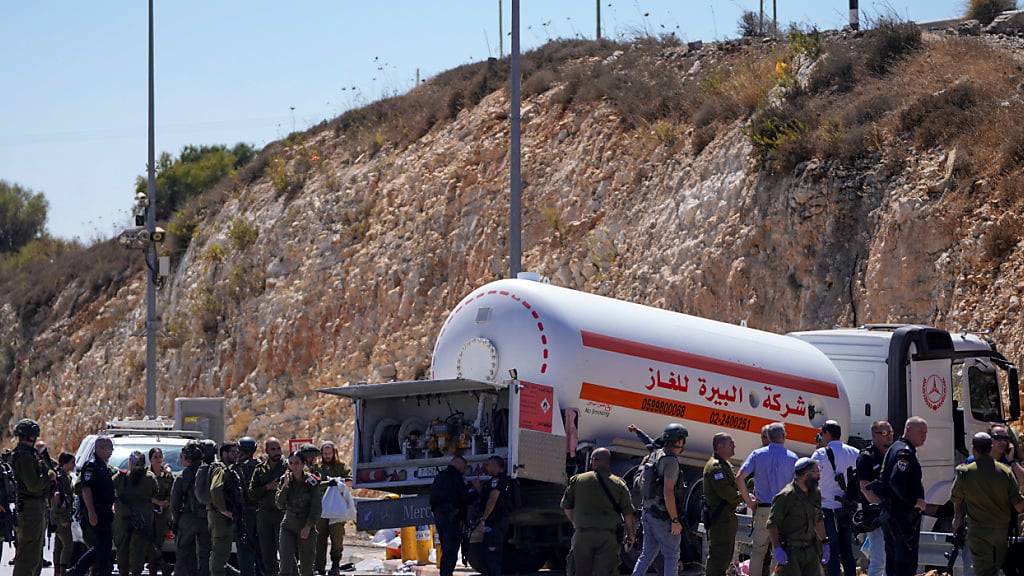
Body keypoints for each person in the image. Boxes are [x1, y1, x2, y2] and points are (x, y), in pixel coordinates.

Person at [951, 432, 1024, 576]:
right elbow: (1019, 506)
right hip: (1000, 533)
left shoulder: (965, 472)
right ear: (991, 447)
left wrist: (957, 517)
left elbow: (956, 498)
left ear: (973, 448)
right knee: (994, 570)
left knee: (982, 571)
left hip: (978, 532)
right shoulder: (1005, 472)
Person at [561, 448, 635, 576]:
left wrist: (576, 523)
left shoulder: (577, 480)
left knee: (579, 572)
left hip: (582, 535)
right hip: (608, 537)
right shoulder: (619, 484)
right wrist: (630, 535)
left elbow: (567, 507)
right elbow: (628, 514)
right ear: (608, 463)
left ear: (594, 461)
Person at [736, 422, 797, 576]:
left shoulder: (757, 455)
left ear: (768, 437)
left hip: (762, 509)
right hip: (783, 511)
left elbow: (740, 477)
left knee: (758, 552)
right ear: (783, 436)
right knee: (780, 550)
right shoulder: (793, 458)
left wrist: (749, 502)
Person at [631, 423, 688, 576]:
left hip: (648, 512)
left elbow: (649, 441)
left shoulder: (656, 453)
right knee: (671, 555)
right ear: (679, 441)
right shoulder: (671, 462)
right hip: (662, 516)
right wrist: (675, 520)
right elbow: (668, 492)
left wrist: (638, 431)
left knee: (647, 554)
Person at [874, 416, 928, 576]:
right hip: (901, 518)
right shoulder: (904, 451)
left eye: (926, 433)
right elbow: (896, 481)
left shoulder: (895, 447)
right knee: (905, 564)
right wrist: (914, 502)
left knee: (893, 562)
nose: (924, 437)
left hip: (892, 515)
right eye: (921, 432)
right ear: (908, 430)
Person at [811, 420, 859, 576]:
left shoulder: (820, 454)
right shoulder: (855, 452)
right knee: (847, 548)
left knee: (831, 548)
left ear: (826, 434)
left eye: (821, 433)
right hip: (846, 508)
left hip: (826, 508)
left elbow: (811, 479)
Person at [767, 457, 828, 576]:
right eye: (816, 472)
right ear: (807, 475)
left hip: (810, 550)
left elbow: (818, 519)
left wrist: (825, 542)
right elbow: (772, 524)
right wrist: (777, 548)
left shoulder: (815, 493)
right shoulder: (785, 496)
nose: (819, 476)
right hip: (791, 552)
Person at [10, 419, 54, 576]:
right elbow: (33, 485)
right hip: (30, 508)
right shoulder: (24, 456)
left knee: (35, 554)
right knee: (29, 555)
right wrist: (49, 476)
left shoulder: (29, 454)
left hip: (34, 507)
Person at [69, 436, 116, 576]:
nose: (112, 451)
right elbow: (86, 489)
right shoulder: (92, 465)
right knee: (101, 547)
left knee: (103, 548)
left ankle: (76, 571)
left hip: (105, 511)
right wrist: (91, 512)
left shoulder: (102, 465)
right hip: (97, 511)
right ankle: (76, 571)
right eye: (109, 448)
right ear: (100, 448)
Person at [855, 420, 893, 576]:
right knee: (878, 560)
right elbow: (865, 488)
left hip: (892, 514)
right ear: (874, 435)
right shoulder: (867, 457)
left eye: (890, 432)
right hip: (876, 516)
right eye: (884, 433)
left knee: (890, 558)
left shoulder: (893, 454)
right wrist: (881, 507)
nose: (888, 437)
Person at [276, 452, 322, 576]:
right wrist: (285, 486)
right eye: (291, 463)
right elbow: (279, 504)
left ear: (303, 465)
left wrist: (308, 526)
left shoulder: (311, 481)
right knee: (285, 564)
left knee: (306, 567)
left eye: (297, 463)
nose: (294, 466)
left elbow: (316, 508)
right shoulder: (285, 480)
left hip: (305, 524)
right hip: (288, 525)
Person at [114, 451, 159, 576]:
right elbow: (156, 491)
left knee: (122, 548)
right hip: (143, 519)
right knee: (138, 550)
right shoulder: (150, 477)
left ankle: (123, 571)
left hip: (123, 518)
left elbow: (110, 488)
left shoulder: (121, 476)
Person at [703, 433, 742, 576]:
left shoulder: (725, 465)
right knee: (718, 558)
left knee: (725, 558)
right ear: (719, 446)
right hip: (720, 520)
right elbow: (729, 495)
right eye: (730, 443)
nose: (734, 446)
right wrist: (743, 496)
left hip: (726, 519)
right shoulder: (716, 467)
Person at [313, 441, 352, 576]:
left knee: (337, 538)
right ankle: (319, 567)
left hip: (337, 509)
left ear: (334, 453)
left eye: (329, 453)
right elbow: (312, 483)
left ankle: (335, 564)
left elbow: (351, 481)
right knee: (320, 539)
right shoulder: (317, 468)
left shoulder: (341, 467)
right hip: (321, 510)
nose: (327, 456)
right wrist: (326, 483)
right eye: (325, 453)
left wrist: (339, 482)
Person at [430, 455, 473, 576]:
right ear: (459, 464)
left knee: (446, 548)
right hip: (451, 516)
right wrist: (475, 491)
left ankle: (445, 573)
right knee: (451, 549)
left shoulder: (439, 477)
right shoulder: (456, 477)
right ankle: (446, 573)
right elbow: (464, 498)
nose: (463, 470)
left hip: (439, 515)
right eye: (463, 467)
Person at [172, 442, 211, 576]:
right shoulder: (209, 473)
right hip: (207, 518)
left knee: (183, 553)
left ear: (187, 458)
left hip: (188, 519)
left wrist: (175, 522)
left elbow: (175, 504)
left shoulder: (182, 477)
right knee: (205, 555)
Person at [251, 438, 287, 576]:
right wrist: (267, 487)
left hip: (282, 514)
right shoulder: (260, 469)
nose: (277, 452)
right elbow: (252, 493)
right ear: (266, 451)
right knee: (267, 552)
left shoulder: (288, 467)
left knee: (285, 551)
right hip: (264, 515)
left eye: (278, 448)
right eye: (273, 449)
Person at [473, 456, 513, 576]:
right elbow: (488, 497)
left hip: (496, 521)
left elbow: (492, 500)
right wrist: (478, 488)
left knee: (492, 554)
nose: (487, 467)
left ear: (497, 466)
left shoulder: (499, 480)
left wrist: (483, 519)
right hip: (495, 521)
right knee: (488, 554)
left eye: (489, 465)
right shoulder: (493, 481)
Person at [209, 442, 242, 576]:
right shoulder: (220, 469)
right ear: (224, 453)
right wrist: (223, 510)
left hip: (222, 516)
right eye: (233, 452)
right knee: (220, 550)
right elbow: (215, 489)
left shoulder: (228, 469)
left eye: (237, 452)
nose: (236, 455)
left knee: (223, 550)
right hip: (220, 516)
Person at [236, 437, 262, 576]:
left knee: (245, 548)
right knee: (260, 547)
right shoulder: (261, 466)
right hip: (259, 511)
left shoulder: (237, 467)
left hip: (244, 512)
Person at [147, 448, 174, 576]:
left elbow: (172, 492)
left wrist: (166, 502)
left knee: (157, 543)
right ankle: (163, 566)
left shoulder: (167, 475)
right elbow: (142, 493)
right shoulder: (145, 475)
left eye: (160, 456)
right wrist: (157, 502)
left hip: (162, 515)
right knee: (148, 542)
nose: (158, 459)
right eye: (155, 457)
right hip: (147, 513)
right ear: (150, 459)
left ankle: (155, 569)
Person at [51, 452, 76, 576]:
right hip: (61, 516)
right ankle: (62, 571)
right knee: (68, 545)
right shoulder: (60, 478)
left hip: (62, 515)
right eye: (72, 463)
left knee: (59, 544)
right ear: (65, 464)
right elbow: (57, 499)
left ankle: (57, 571)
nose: (74, 465)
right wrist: (62, 517)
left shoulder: (65, 477)